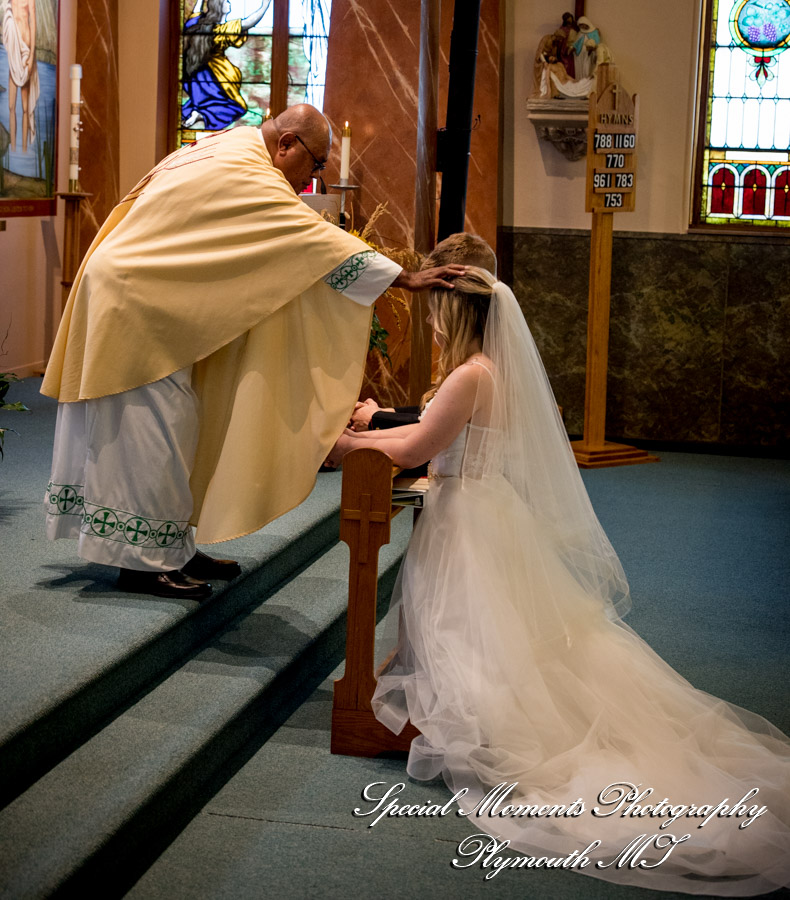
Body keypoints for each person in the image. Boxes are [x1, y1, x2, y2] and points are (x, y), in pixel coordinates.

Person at [328, 269, 790, 895]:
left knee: (472, 624)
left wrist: (348, 442)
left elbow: (417, 451)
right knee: (490, 625)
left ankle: (490, 714)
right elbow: (424, 433)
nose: (433, 324)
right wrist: (371, 427)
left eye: (438, 312)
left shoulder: (469, 375)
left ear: (458, 313)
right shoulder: (487, 369)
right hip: (483, 509)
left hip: (468, 516)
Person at [41, 104, 466, 600]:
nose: (315, 177)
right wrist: (405, 277)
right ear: (287, 143)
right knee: (150, 430)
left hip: (145, 294)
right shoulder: (249, 171)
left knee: (179, 424)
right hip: (134, 302)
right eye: (316, 163)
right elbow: (308, 237)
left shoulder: (228, 147)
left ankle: (172, 546)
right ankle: (143, 562)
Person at [349, 232, 497, 434]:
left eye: (439, 305)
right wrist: (384, 411)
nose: (430, 319)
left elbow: (437, 430)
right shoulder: (486, 342)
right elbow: (436, 410)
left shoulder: (478, 365)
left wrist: (375, 418)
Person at [181, 0, 270, 131]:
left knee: (205, 102)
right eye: (225, 1)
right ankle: (201, 115)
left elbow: (195, 14)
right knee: (236, 107)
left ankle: (197, 112)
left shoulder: (199, 25)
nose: (228, 2)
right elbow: (248, 22)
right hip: (216, 77)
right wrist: (265, 5)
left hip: (198, 80)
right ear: (219, 7)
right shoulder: (220, 31)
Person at [3, 0, 39, 153]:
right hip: (14, 50)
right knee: (11, 106)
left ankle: (24, 149)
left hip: (25, 50)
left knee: (25, 108)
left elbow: (33, 23)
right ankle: (12, 149)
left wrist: (31, 55)